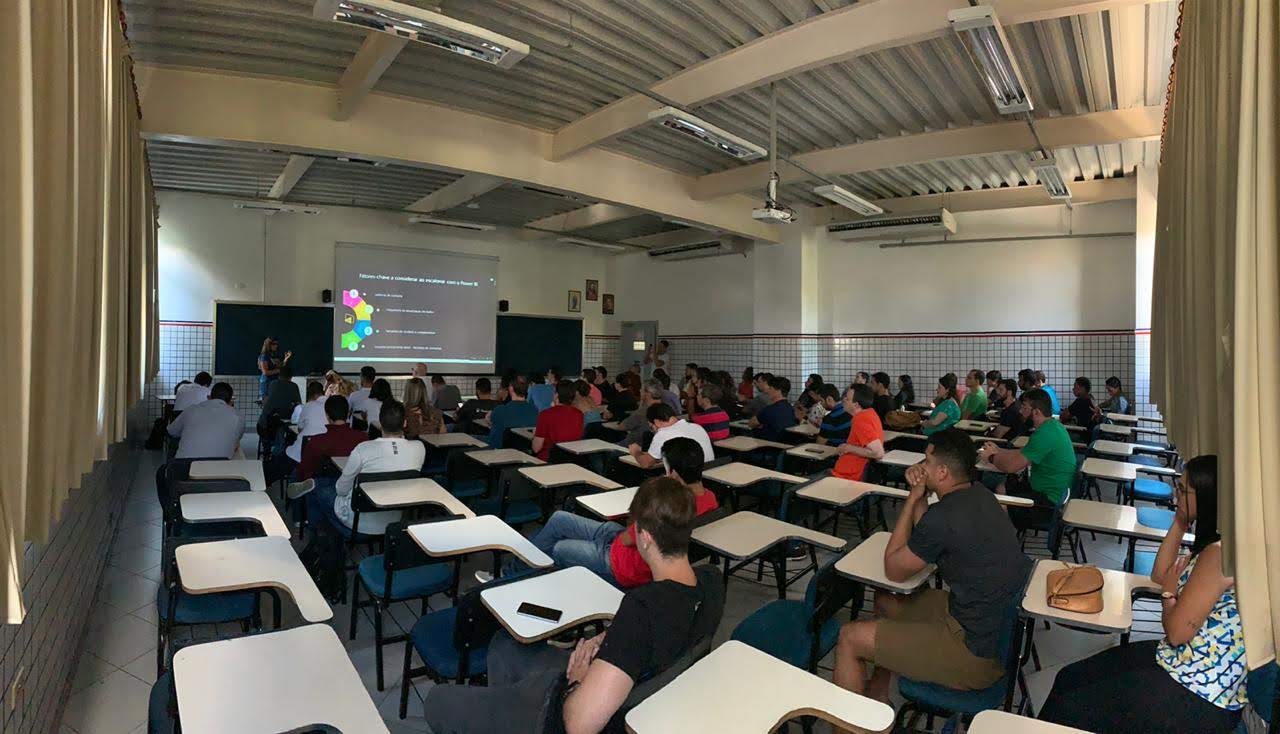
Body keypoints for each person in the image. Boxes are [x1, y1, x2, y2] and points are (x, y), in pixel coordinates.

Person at [425, 474, 723, 734]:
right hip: (622, 679)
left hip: (568, 710)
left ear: (644, 538)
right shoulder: (711, 582)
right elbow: (658, 631)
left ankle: (516, 712)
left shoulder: (641, 608)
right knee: (503, 644)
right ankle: (509, 710)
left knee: (437, 701)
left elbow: (579, 725)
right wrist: (609, 637)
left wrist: (578, 682)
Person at [1038, 455, 1245, 733]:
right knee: (1068, 678)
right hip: (1178, 663)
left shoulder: (1219, 554)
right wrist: (1180, 521)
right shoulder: (1214, 543)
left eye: (1183, 491)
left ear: (1209, 497)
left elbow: (1176, 632)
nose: (1176, 494)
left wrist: (1169, 595)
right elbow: (1159, 575)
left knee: (1070, 707)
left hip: (1197, 694)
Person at [833, 429, 1032, 703]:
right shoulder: (980, 495)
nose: (921, 467)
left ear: (942, 472)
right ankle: (878, 695)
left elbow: (893, 568)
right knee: (885, 600)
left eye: (926, 461)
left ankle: (852, 722)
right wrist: (922, 494)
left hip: (974, 653)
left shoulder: (944, 517)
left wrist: (912, 498)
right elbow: (929, 529)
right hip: (989, 626)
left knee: (849, 637)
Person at [514, 442, 719, 588]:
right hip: (622, 543)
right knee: (560, 520)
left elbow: (630, 538)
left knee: (559, 546)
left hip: (623, 566)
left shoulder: (666, 504)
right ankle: (523, 568)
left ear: (673, 474)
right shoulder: (710, 499)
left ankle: (519, 572)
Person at [308, 399, 423, 537]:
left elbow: (341, 490)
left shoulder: (363, 449)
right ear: (404, 423)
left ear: (380, 423)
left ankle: (324, 537)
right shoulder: (419, 448)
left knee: (319, 490)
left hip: (358, 522)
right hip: (395, 519)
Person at [980, 388, 1076, 531]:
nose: (1020, 411)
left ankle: (1005, 536)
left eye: (1024, 407)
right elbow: (1022, 453)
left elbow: (1011, 467)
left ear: (1036, 412)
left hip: (1048, 504)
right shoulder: (1052, 427)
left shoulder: (1045, 434)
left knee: (994, 503)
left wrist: (991, 457)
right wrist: (998, 450)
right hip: (1047, 493)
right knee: (1002, 487)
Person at [293, 395, 368, 485]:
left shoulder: (316, 441)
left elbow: (303, 473)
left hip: (323, 488)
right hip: (354, 487)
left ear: (327, 416)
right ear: (348, 414)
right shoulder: (363, 438)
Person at [167, 382, 242, 459]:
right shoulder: (238, 416)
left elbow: (171, 431)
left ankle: (169, 464)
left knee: (176, 440)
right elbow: (236, 440)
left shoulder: (191, 410)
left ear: (209, 397)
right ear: (231, 401)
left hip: (184, 464)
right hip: (219, 464)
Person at [629, 404, 714, 468]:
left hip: (686, 480)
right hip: (708, 474)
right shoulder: (697, 427)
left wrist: (636, 451)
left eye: (652, 427)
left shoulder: (663, 433)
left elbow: (646, 463)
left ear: (657, 422)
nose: (653, 431)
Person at [831, 383, 886, 481]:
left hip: (847, 476)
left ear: (856, 405)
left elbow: (878, 453)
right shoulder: (870, 412)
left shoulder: (861, 419)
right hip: (849, 471)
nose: (843, 400)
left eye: (847, 399)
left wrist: (848, 448)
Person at [532, 382, 584, 460]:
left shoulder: (545, 414)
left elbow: (536, 448)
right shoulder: (579, 414)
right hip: (572, 460)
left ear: (556, 395)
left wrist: (534, 435)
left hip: (548, 460)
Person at [485, 379, 538, 449]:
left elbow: (490, 421)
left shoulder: (500, 410)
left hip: (496, 447)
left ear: (511, 389)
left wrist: (488, 417)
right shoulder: (535, 410)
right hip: (524, 450)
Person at [257, 364, 302, 444]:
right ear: (291, 377)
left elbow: (266, 400)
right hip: (283, 429)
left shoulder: (272, 384)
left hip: (264, 427)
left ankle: (267, 447)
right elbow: (298, 405)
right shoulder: (294, 386)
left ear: (279, 376)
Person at [285, 381, 328, 464]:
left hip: (304, 452)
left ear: (314, 395)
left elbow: (300, 429)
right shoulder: (331, 404)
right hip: (324, 453)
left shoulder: (309, 405)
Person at [749, 375, 797, 441]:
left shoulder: (769, 410)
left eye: (771, 388)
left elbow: (751, 424)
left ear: (778, 391)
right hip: (786, 444)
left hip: (767, 444)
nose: (768, 391)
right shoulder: (791, 409)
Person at [617, 381, 662, 448]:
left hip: (632, 446)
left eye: (642, 389)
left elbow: (622, 427)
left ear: (648, 394)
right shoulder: (666, 409)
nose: (640, 390)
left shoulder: (642, 412)